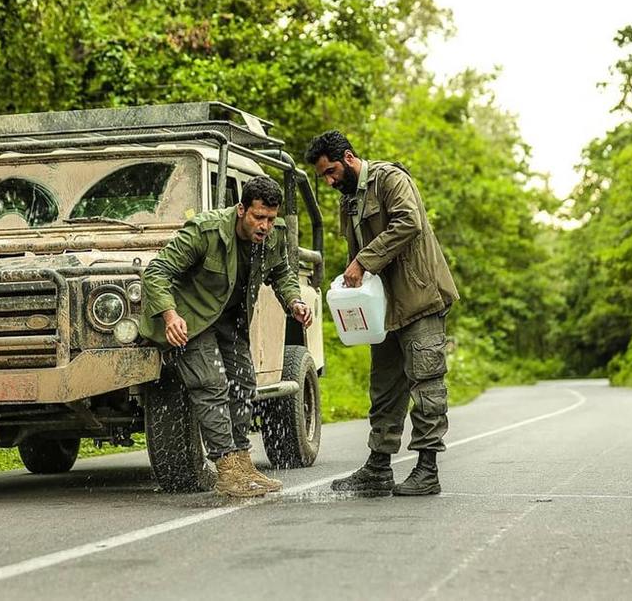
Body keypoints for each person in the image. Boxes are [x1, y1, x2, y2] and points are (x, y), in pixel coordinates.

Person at [304, 131, 458, 496]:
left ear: (349, 157)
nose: (329, 181)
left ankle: (427, 469)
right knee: (384, 389)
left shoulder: (390, 179)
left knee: (426, 381)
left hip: (419, 299)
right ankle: (378, 468)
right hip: (383, 309)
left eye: (331, 172)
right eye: (323, 176)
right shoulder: (348, 202)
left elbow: (408, 223)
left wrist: (362, 262)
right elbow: (354, 254)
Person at [139, 175, 314, 498]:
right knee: (211, 384)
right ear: (240, 209)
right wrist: (170, 315)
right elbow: (157, 272)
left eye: (270, 219)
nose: (264, 225)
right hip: (190, 319)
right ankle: (226, 470)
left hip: (230, 321)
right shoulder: (206, 231)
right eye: (258, 217)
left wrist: (295, 301)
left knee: (244, 383)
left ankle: (242, 462)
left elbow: (281, 273)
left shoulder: (273, 237)